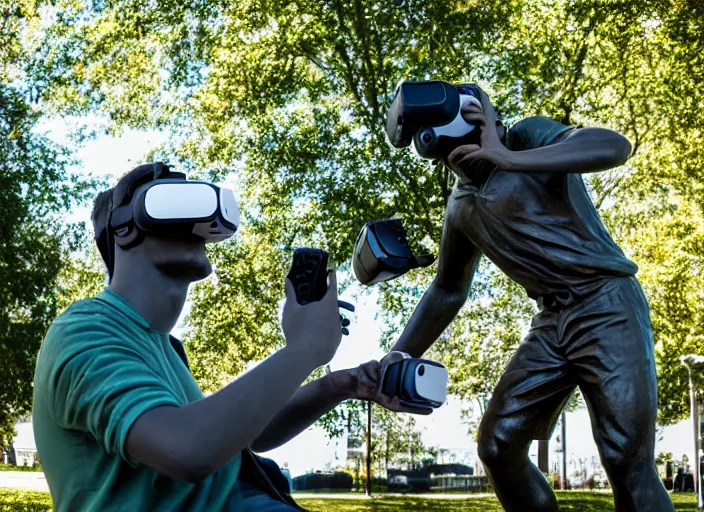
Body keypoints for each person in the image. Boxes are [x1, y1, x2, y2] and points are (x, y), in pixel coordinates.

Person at [32, 163, 414, 512]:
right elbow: (187, 450)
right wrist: (306, 347)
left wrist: (339, 384)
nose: (197, 222)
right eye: (174, 203)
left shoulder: (163, 347)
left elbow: (243, 436)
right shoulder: (84, 331)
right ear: (123, 228)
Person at [389, 85, 674, 511]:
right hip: (551, 321)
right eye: (442, 154)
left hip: (608, 303)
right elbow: (448, 289)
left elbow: (614, 146)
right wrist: (399, 355)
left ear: (483, 121)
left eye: (466, 147)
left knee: (625, 458)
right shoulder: (460, 207)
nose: (456, 162)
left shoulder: (528, 137)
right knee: (498, 446)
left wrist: (506, 156)